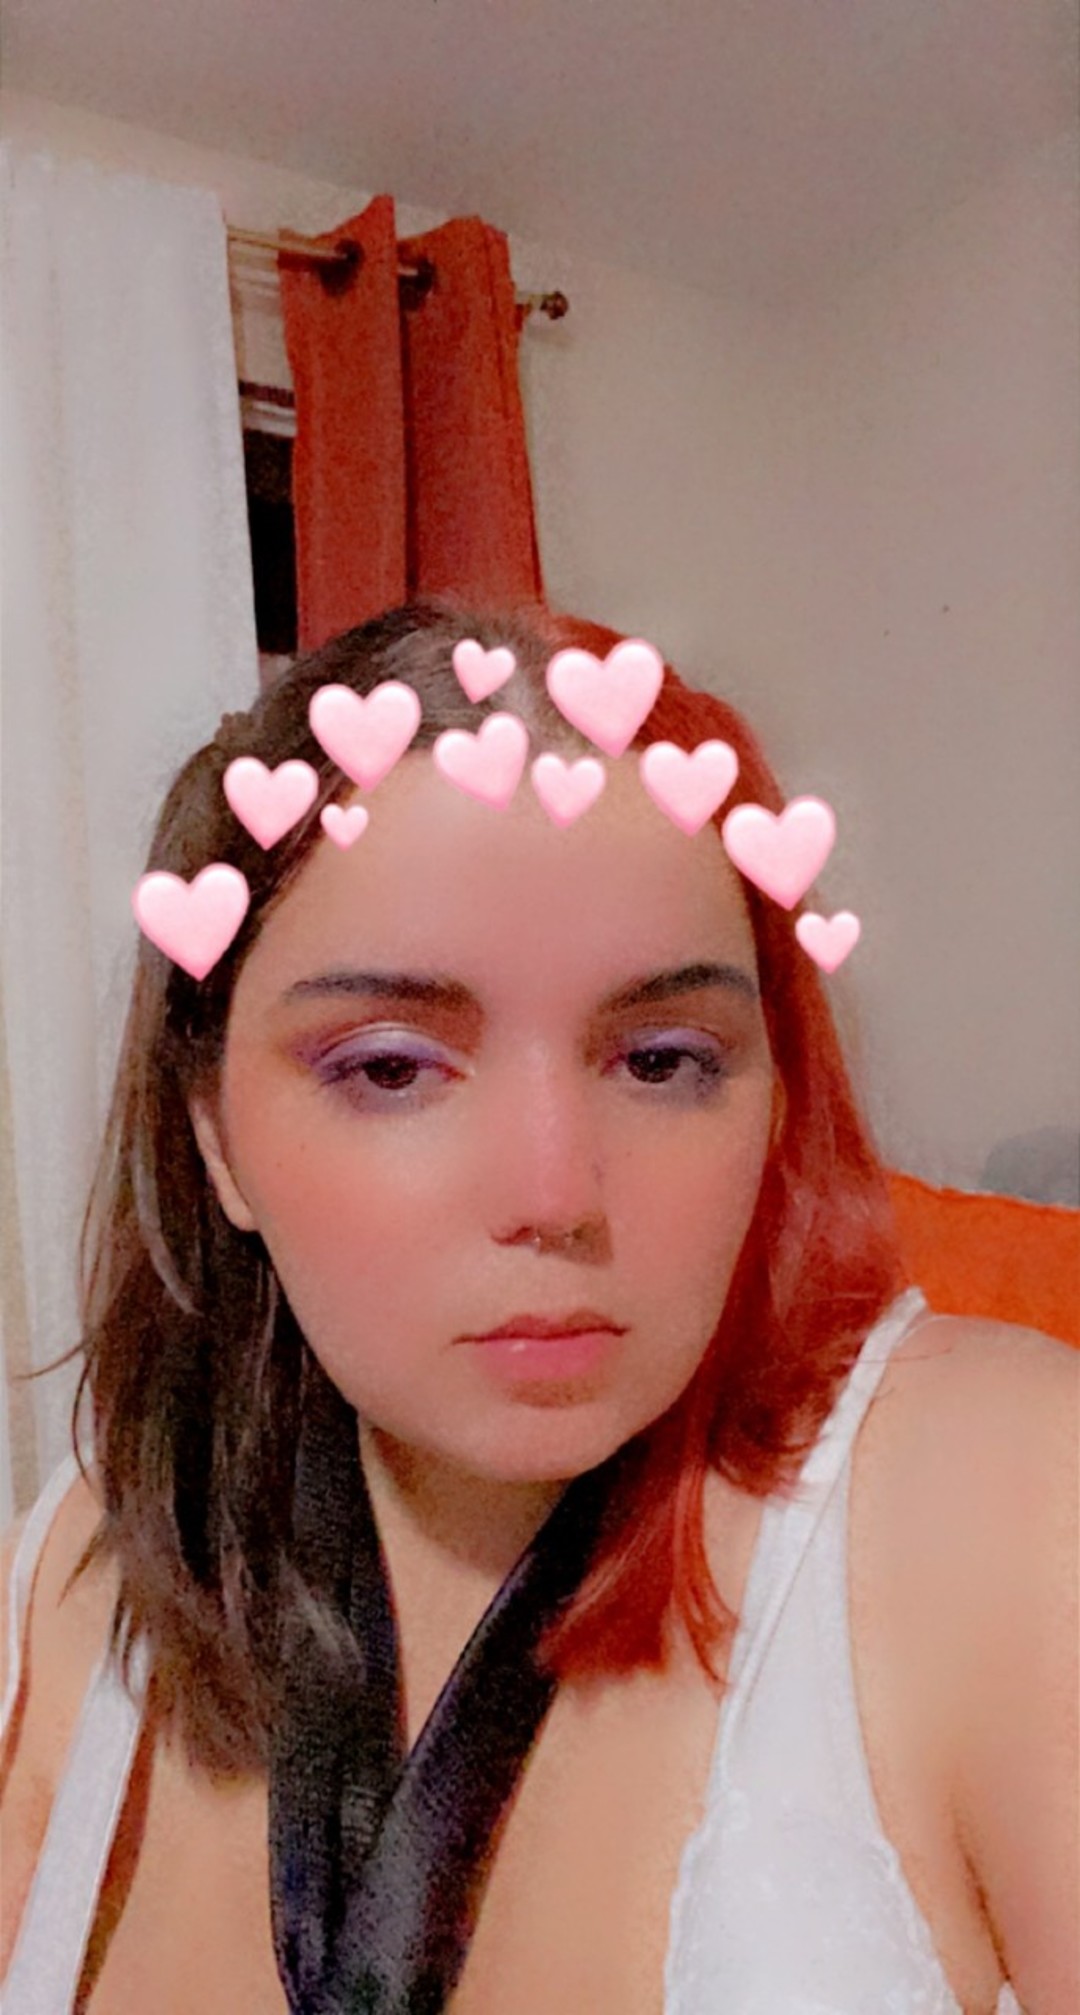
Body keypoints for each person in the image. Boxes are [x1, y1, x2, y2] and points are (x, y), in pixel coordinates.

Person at [0, 600, 1075, 2015]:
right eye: (391, 1069)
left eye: (664, 1061)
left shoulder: (1006, 1502)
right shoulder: (85, 1568)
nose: (554, 1194)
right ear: (214, 1137)